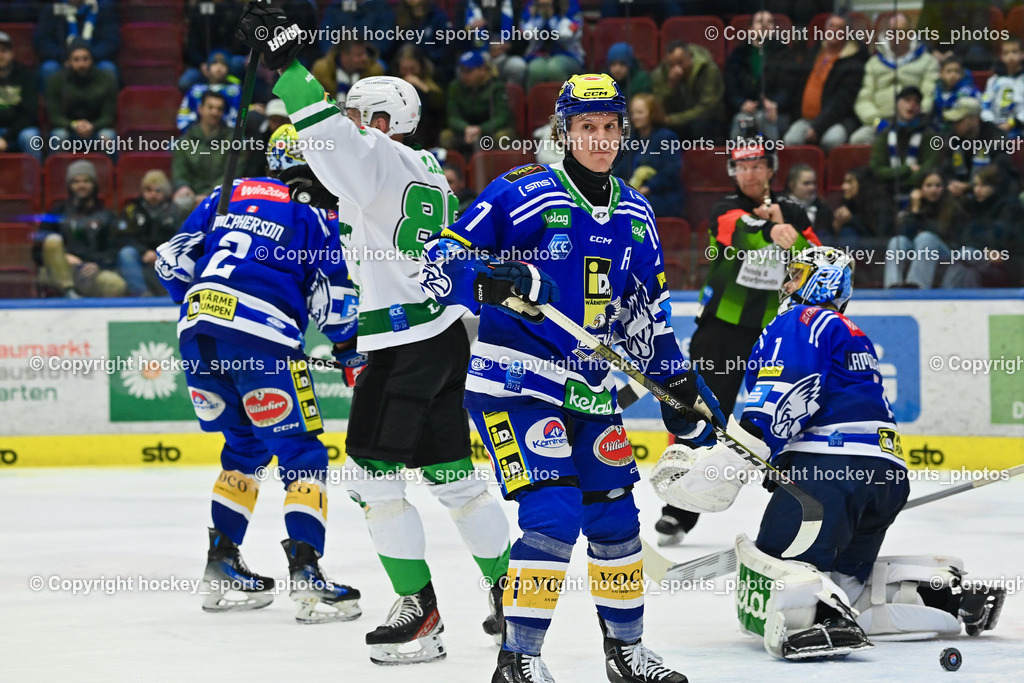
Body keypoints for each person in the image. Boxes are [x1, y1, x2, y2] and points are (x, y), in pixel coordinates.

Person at [421, 73, 721, 683]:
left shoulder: (637, 213)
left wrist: (679, 388)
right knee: (554, 516)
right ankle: (519, 659)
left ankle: (626, 652)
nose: (601, 139)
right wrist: (493, 280)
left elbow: (649, 315)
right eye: (587, 127)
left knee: (614, 519)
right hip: (516, 386)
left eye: (610, 127)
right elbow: (439, 261)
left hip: (590, 391)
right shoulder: (522, 191)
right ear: (564, 132)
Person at [238, 4, 513, 664]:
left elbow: (330, 135)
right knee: (454, 477)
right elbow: (366, 205)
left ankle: (419, 612)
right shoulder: (429, 173)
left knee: (370, 477)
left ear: (384, 123)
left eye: (365, 117)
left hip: (403, 343)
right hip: (445, 338)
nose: (358, 126)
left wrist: (284, 65)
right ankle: (514, 592)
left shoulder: (379, 155)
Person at [653, 246, 1006, 660]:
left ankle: (820, 619)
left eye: (797, 275)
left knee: (775, 588)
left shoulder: (799, 320)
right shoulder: (849, 330)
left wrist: (711, 477)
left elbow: (781, 398)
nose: (786, 283)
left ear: (822, 281)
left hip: (827, 476)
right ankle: (946, 598)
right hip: (885, 477)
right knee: (847, 586)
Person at [154, 124, 363, 623]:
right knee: (303, 455)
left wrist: (206, 308)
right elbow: (334, 305)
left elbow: (169, 261)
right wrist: (350, 351)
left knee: (244, 450)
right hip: (263, 338)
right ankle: (308, 574)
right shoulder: (315, 217)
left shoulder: (224, 194)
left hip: (197, 331)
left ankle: (222, 564)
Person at [655, 142, 820, 547]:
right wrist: (771, 229)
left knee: (781, 415)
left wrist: (789, 230)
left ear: (771, 170)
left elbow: (816, 258)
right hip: (722, 329)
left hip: (775, 331)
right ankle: (678, 509)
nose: (749, 173)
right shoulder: (724, 206)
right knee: (703, 411)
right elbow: (734, 231)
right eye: (742, 167)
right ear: (733, 172)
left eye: (757, 166)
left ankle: (789, 505)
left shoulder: (793, 213)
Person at [38, 159, 124, 298]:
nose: (81, 185)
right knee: (52, 241)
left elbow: (114, 249)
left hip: (91, 270)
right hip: (60, 269)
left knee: (116, 285)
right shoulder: (57, 211)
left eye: (86, 181)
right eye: (76, 182)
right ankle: (68, 292)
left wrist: (97, 263)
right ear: (69, 185)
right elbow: (37, 250)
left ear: (94, 184)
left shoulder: (106, 215)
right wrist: (62, 256)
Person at [783, 14, 869, 152]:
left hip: (837, 120)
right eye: (831, 26)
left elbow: (841, 102)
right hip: (806, 119)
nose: (834, 30)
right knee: (791, 140)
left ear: (847, 33)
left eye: (839, 28)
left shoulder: (854, 62)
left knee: (832, 140)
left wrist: (818, 127)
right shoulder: (814, 52)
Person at [850, 13, 939, 145]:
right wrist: (877, 122)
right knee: (858, 139)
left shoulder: (928, 61)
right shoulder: (874, 62)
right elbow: (863, 100)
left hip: (915, 122)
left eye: (900, 32)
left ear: (910, 33)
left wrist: (915, 117)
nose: (895, 37)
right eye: (891, 32)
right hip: (880, 123)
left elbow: (929, 95)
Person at [723, 10, 792, 141]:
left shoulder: (784, 54)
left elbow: (789, 88)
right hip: (746, 111)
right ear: (750, 29)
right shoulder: (738, 54)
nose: (765, 25)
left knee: (763, 118)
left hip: (775, 112)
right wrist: (741, 103)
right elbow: (730, 88)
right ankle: (738, 160)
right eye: (760, 22)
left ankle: (771, 159)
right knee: (742, 120)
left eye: (769, 22)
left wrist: (775, 103)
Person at [613, 93, 682, 218]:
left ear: (652, 113)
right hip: (632, 195)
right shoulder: (630, 140)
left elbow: (671, 172)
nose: (635, 117)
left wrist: (648, 188)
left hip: (662, 198)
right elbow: (619, 169)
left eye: (640, 112)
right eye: (633, 113)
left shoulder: (667, 137)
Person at [868, 85, 941, 200]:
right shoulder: (885, 133)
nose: (912, 105)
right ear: (897, 104)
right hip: (887, 191)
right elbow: (876, 170)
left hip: (920, 191)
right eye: (907, 100)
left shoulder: (931, 135)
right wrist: (907, 170)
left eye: (916, 102)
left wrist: (896, 178)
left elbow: (929, 169)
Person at [119, 170, 184, 297]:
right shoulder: (132, 210)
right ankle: (141, 293)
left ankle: (174, 293)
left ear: (165, 192)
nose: (153, 194)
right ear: (142, 191)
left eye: (158, 190)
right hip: (141, 255)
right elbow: (124, 237)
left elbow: (181, 238)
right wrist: (144, 251)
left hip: (167, 256)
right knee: (126, 253)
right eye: (148, 190)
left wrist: (161, 254)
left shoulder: (176, 211)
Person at [44, 39, 117, 152]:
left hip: (95, 129)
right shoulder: (56, 81)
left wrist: (93, 126)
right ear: (68, 62)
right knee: (59, 136)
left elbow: (109, 116)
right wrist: (74, 125)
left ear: (92, 60)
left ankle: (110, 169)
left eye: (85, 59)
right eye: (76, 60)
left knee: (108, 136)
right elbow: (54, 117)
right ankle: (55, 169)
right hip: (68, 129)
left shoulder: (106, 79)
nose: (81, 64)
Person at [439, 50, 515, 156]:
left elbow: (502, 117)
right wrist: (465, 128)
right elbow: (452, 116)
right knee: (446, 136)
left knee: (503, 136)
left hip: (490, 131)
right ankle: (451, 170)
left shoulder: (495, 87)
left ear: (482, 70)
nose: (464, 75)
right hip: (465, 131)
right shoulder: (455, 87)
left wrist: (481, 129)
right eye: (462, 71)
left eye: (468, 71)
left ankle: (503, 169)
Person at [651, 41, 724, 143]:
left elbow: (707, 108)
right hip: (676, 119)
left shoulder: (708, 70)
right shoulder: (661, 73)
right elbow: (657, 106)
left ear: (690, 58)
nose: (677, 69)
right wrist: (670, 86)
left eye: (680, 63)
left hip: (707, 120)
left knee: (700, 126)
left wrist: (672, 120)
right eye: (671, 65)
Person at [34, 0, 119, 85]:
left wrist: (87, 58)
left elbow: (111, 41)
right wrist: (68, 58)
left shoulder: (103, 8)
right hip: (62, 60)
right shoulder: (53, 9)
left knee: (107, 68)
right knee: (49, 68)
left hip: (94, 60)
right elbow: (42, 40)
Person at [172, 91, 232, 212]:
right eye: (210, 107)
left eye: (219, 109)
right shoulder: (184, 141)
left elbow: (232, 173)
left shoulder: (234, 140)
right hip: (191, 194)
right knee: (181, 201)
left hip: (222, 193)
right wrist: (183, 186)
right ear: (200, 109)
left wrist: (209, 194)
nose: (215, 112)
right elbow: (179, 171)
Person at [520, 0, 584, 91]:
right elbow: (527, 33)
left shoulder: (570, 4)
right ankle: (533, 104)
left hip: (569, 55)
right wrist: (541, 18)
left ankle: (564, 102)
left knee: (555, 68)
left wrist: (552, 19)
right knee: (536, 70)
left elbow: (567, 35)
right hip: (538, 55)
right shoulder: (533, 4)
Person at [176, 50, 243, 133]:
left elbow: (241, 115)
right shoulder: (195, 90)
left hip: (226, 135)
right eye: (215, 64)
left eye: (223, 65)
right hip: (197, 135)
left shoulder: (235, 91)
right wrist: (193, 133)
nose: (219, 68)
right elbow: (184, 115)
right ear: (206, 68)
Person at [0, 30, 41, 162]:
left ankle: (34, 181)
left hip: (20, 129)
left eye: (4, 50)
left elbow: (29, 114)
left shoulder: (25, 75)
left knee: (31, 137)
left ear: (12, 53)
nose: (0, 55)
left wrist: (6, 137)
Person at [311, 38, 385, 105]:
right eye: (359, 55)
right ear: (344, 55)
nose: (365, 58)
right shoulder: (322, 70)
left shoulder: (375, 71)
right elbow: (315, 100)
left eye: (365, 53)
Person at [981, 38, 1024, 138]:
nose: (1010, 56)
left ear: (1022, 54)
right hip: (995, 127)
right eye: (1006, 53)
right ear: (1001, 57)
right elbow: (985, 104)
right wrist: (991, 123)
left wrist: (1013, 123)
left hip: (1019, 127)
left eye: (1014, 52)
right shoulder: (993, 81)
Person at [782, 163, 832, 238]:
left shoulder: (823, 208)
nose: (812, 187)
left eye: (813, 183)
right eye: (806, 183)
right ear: (792, 184)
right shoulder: (781, 207)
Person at [932, 55, 979, 129]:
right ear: (941, 74)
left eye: (957, 71)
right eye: (949, 71)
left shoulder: (968, 92)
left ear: (962, 74)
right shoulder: (935, 90)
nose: (953, 75)